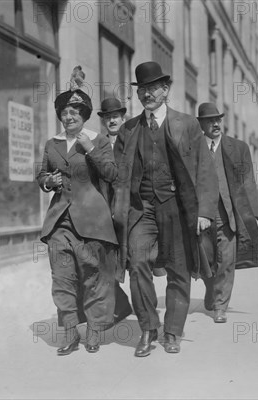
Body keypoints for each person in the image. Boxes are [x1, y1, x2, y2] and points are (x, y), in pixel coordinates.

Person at [112, 61, 218, 356]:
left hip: (177, 206)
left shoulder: (187, 124)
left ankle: (172, 331)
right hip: (141, 207)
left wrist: (205, 212)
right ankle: (148, 328)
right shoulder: (129, 129)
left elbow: (205, 171)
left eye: (152, 88)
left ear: (165, 90)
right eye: (142, 89)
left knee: (178, 270)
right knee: (138, 263)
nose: (147, 94)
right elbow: (117, 174)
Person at [36, 67, 129, 355]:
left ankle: (94, 331)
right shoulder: (52, 144)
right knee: (62, 279)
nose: (69, 116)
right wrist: (47, 182)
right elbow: (41, 175)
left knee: (93, 278)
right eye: (64, 111)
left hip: (93, 221)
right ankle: (68, 333)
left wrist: (89, 148)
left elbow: (113, 175)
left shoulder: (98, 141)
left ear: (85, 115)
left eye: (76, 111)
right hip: (59, 222)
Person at [197, 103, 258, 324]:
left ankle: (220, 306)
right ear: (201, 124)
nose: (215, 124)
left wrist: (251, 215)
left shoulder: (238, 147)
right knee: (205, 260)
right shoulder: (193, 147)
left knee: (226, 260)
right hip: (202, 215)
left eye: (218, 119)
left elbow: (248, 180)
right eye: (210, 120)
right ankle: (211, 289)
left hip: (229, 214)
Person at [97, 97, 134, 325]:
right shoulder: (98, 143)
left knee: (136, 263)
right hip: (105, 211)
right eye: (107, 117)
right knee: (103, 261)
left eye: (115, 117)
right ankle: (120, 305)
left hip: (131, 210)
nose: (111, 120)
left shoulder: (132, 141)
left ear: (123, 118)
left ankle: (142, 310)